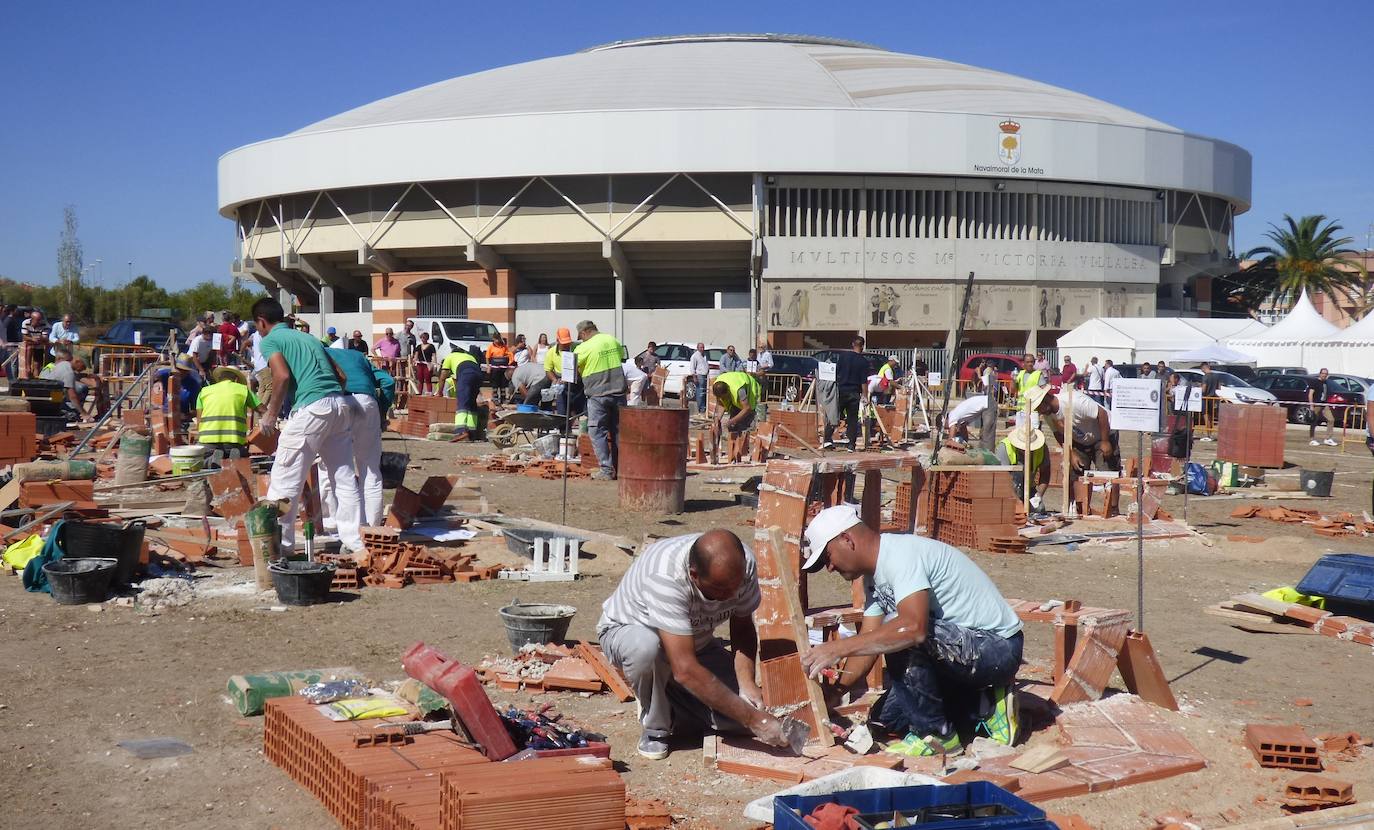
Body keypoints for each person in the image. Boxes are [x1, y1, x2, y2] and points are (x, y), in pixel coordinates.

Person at [799, 504, 1023, 756]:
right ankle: (986, 703)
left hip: (997, 648)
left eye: (828, 558)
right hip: (961, 653)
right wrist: (835, 693)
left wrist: (836, 648)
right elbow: (867, 645)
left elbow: (913, 629)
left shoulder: (899, 555)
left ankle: (939, 737)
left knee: (901, 632)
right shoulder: (873, 577)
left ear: (847, 539)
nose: (829, 568)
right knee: (886, 720)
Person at [597, 530, 787, 760]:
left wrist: (746, 686)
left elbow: (743, 625)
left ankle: (673, 704)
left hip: (696, 644)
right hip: (633, 635)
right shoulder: (665, 575)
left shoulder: (742, 565)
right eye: (721, 590)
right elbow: (685, 669)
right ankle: (657, 726)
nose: (731, 596)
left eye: (735, 588)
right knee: (647, 647)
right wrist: (754, 720)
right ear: (694, 575)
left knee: (738, 719)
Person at [252, 297, 365, 557]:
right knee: (343, 476)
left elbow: (281, 375)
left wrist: (270, 414)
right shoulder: (311, 338)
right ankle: (354, 542)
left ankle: (281, 547)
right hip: (338, 404)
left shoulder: (271, 340)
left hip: (312, 408)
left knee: (285, 476)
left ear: (261, 321)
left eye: (258, 326)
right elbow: (342, 376)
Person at [327, 346, 390, 527]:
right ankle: (373, 527)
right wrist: (382, 412)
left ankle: (336, 521)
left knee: (335, 466)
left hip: (338, 401)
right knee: (370, 467)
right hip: (367, 401)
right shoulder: (359, 357)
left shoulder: (321, 353)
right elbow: (388, 381)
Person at [1027, 384, 1118, 477]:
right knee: (1075, 472)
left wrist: (1105, 441)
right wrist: (1071, 453)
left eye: (1038, 407)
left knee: (1107, 474)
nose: (1039, 412)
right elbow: (1058, 434)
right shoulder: (1048, 414)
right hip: (1080, 440)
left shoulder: (1075, 401)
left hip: (1103, 432)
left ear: (1045, 399)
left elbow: (1101, 414)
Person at [574, 320, 627, 481]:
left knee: (597, 431)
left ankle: (606, 469)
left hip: (598, 395)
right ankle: (622, 468)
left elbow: (572, 368)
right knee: (619, 432)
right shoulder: (612, 340)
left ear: (583, 333)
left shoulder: (583, 347)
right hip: (618, 392)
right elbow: (620, 356)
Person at [194, 365, 261, 465]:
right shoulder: (243, 390)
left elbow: (199, 424)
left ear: (219, 379)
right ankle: (234, 459)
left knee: (197, 461)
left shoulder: (204, 392)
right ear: (237, 379)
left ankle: (211, 461)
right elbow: (263, 411)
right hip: (234, 442)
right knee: (245, 457)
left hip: (208, 442)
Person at [823, 337, 870, 452]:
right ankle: (851, 445)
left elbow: (835, 372)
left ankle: (827, 440)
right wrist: (865, 396)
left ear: (852, 344)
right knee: (852, 419)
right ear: (862, 346)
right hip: (854, 393)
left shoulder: (843, 357)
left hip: (841, 390)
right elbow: (863, 381)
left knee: (835, 415)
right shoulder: (863, 362)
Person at [995, 423, 1049, 510]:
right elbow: (1001, 480)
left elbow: (1046, 473)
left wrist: (1038, 496)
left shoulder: (1042, 449)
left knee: (1039, 508)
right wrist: (1017, 501)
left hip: (1028, 490)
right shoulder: (1004, 448)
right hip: (1007, 491)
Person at [710, 371, 761, 463]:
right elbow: (721, 404)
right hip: (735, 395)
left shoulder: (739, 390)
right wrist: (717, 419)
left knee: (744, 426)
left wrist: (732, 421)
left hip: (750, 391)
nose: (724, 399)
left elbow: (747, 408)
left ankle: (743, 453)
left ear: (728, 391)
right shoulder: (717, 385)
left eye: (725, 397)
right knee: (733, 428)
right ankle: (733, 453)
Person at [437, 345, 483, 439]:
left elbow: (443, 376)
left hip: (466, 374)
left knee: (462, 401)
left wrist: (439, 392)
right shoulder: (469, 356)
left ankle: (461, 431)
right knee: (471, 403)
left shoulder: (450, 357)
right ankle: (472, 432)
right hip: (478, 375)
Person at [40, 345, 86, 418]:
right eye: (68, 360)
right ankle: (73, 412)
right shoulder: (63, 369)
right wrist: (84, 414)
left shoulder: (52, 366)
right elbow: (72, 395)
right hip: (53, 398)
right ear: (59, 358)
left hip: (51, 396)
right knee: (81, 388)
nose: (69, 362)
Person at [1308, 368, 1339, 447]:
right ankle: (1312, 439)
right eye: (1323, 373)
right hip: (1316, 404)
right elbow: (1310, 394)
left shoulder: (1326, 383)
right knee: (1314, 421)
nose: (1324, 375)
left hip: (1324, 404)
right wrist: (1311, 405)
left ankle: (1328, 439)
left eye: (1326, 374)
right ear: (1320, 373)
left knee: (1331, 419)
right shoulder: (1314, 382)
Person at [484, 333, 512, 404]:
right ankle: (495, 398)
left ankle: (503, 398)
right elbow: (487, 357)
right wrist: (488, 367)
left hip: (503, 367)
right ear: (493, 339)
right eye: (496, 339)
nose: (497, 341)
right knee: (495, 383)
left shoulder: (503, 346)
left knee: (503, 383)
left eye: (498, 339)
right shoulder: (491, 347)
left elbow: (508, 353)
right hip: (494, 368)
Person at [1198, 362, 1220, 440]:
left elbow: (1203, 389)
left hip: (1205, 398)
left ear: (1203, 368)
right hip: (1213, 398)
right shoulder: (1216, 376)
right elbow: (1218, 388)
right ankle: (1210, 433)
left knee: (1206, 416)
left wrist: (1198, 389)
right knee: (1211, 417)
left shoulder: (1205, 377)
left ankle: (1208, 435)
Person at [688, 343, 710, 415]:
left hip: (705, 375)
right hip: (699, 375)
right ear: (697, 348)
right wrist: (694, 377)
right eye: (701, 347)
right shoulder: (695, 356)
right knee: (700, 392)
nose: (702, 349)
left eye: (703, 347)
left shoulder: (705, 355)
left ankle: (704, 407)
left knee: (705, 393)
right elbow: (692, 367)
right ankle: (700, 408)